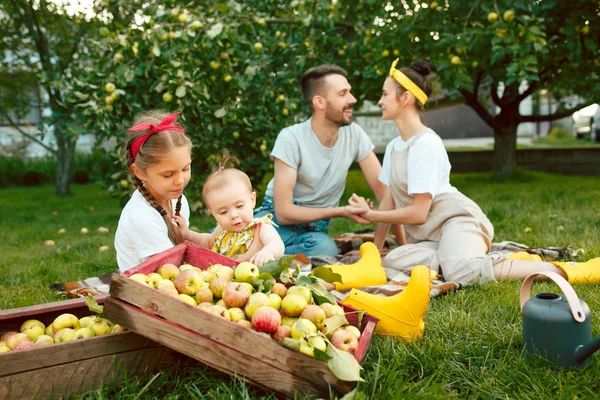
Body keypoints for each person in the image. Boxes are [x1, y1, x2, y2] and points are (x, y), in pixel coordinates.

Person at [349, 58, 600, 285]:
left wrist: (369, 215)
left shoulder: (425, 144)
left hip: (457, 221)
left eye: (384, 94)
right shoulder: (394, 147)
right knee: (393, 260)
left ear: (405, 99)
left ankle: (564, 270)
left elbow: (418, 212)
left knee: (460, 270)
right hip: (430, 237)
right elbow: (388, 202)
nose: (380, 101)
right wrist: (375, 251)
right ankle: (492, 260)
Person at [254, 63, 403, 257]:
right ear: (320, 102)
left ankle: (270, 256)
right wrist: (340, 211)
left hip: (313, 231)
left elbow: (385, 194)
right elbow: (283, 212)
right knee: (245, 244)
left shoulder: (355, 135)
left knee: (326, 250)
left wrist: (403, 243)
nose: (353, 99)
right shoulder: (291, 138)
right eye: (343, 94)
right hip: (274, 221)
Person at [115, 110, 193, 272]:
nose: (180, 180)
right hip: (147, 285)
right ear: (140, 172)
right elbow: (169, 272)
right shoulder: (142, 217)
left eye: (185, 168)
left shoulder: (178, 201)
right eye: (168, 174)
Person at [173, 156, 285, 266]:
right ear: (213, 213)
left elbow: (277, 244)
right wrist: (188, 234)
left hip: (254, 279)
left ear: (252, 200)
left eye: (239, 206)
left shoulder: (260, 228)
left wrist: (268, 251)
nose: (233, 215)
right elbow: (206, 241)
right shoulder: (222, 229)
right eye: (223, 212)